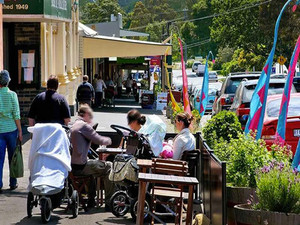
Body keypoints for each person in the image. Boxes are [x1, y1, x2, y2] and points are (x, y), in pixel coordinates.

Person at [70, 105, 114, 209]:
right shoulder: (83, 126)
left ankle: (91, 200)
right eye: (90, 116)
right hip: (81, 166)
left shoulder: (73, 125)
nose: (90, 119)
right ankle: (109, 201)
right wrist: (111, 141)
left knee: (93, 169)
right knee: (108, 166)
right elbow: (99, 140)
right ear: (85, 114)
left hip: (72, 167)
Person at [0, 70, 22, 192]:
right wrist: (19, 131)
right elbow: (16, 115)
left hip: (0, 130)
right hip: (12, 130)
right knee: (12, 157)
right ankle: (13, 182)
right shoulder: (13, 95)